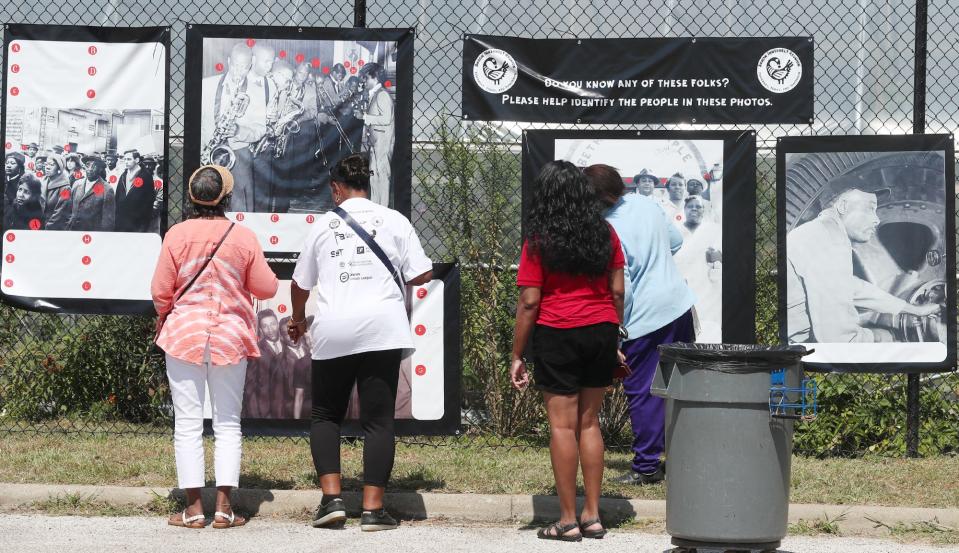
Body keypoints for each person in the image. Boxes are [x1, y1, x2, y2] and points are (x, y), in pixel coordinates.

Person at [287, 153, 432, 532]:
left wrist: (299, 320)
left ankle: (332, 501)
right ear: (366, 185)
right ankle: (372, 510)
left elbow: (300, 284)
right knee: (379, 421)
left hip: (334, 328)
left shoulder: (323, 226)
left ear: (336, 188)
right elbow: (422, 274)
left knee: (326, 415)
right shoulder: (395, 220)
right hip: (382, 329)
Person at [151, 165, 278, 529]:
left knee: (187, 422)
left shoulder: (176, 235)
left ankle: (192, 510)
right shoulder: (243, 237)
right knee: (227, 423)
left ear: (192, 197)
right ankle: (224, 509)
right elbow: (266, 288)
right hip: (230, 336)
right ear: (226, 197)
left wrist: (168, 312)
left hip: (184, 335)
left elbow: (161, 291)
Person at [510, 161, 625, 541]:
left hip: (557, 332)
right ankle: (593, 515)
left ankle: (566, 519)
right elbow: (618, 291)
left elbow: (529, 301)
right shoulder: (605, 233)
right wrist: (614, 336)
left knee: (562, 426)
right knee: (590, 424)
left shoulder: (539, 240)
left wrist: (517, 354)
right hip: (601, 331)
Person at [585, 164, 695, 485]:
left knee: (643, 392)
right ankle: (683, 458)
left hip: (644, 319)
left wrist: (617, 333)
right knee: (678, 387)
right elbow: (674, 241)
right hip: (679, 306)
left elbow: (624, 288)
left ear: (599, 198)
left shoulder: (606, 229)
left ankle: (647, 467)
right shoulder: (648, 204)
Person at [786, 184, 939, 343]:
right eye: (870, 209)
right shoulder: (830, 240)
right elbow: (838, 339)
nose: (877, 219)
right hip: (798, 346)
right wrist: (882, 337)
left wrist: (913, 310)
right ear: (843, 206)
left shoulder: (820, 231)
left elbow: (852, 288)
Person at [357, 63, 394, 206]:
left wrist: (365, 117)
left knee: (382, 177)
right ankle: (375, 206)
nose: (363, 81)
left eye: (366, 78)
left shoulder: (382, 95)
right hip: (375, 143)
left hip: (382, 143)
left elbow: (385, 119)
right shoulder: (375, 95)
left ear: (375, 78)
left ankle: (382, 209)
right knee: (373, 177)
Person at [67, 155, 115, 232]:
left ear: (100, 169)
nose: (90, 169)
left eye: (94, 166)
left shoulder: (107, 189)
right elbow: (69, 208)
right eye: (88, 165)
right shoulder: (77, 184)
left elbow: (107, 222)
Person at [115, 149, 156, 232]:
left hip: (137, 223)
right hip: (122, 221)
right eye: (125, 159)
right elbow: (118, 197)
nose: (126, 162)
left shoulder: (145, 176)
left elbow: (149, 201)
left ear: (137, 160)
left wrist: (143, 225)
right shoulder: (123, 175)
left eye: (129, 159)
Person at [39, 153, 73, 230]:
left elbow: (60, 214)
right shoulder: (43, 181)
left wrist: (46, 228)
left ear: (59, 168)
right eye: (46, 164)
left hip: (53, 228)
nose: (47, 167)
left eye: (51, 165)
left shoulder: (65, 188)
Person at [4, 152, 25, 219]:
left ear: (19, 167)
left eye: (12, 163)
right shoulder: (3, 179)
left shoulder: (23, 183)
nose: (8, 166)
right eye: (6, 163)